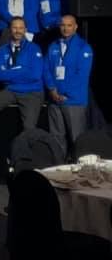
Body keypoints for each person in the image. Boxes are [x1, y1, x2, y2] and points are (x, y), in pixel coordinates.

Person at [0, 17, 45, 165]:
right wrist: (20, 71)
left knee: (29, 127)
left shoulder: (34, 49)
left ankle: (25, 158)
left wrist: (10, 72)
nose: (18, 31)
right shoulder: (3, 49)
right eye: (15, 28)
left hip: (31, 92)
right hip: (11, 90)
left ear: (25, 30)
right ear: (10, 30)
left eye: (21, 28)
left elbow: (35, 75)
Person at [44, 15, 93, 157]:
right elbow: (46, 68)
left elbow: (82, 75)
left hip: (74, 101)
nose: (65, 28)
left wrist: (63, 93)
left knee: (77, 139)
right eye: (63, 25)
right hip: (54, 100)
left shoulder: (84, 47)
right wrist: (52, 89)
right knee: (56, 138)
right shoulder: (54, 46)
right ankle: (59, 168)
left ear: (76, 27)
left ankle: (80, 172)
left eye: (69, 25)